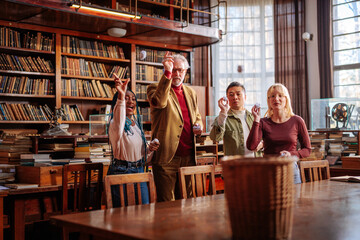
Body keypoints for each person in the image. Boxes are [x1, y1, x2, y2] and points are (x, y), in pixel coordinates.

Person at [147, 52, 203, 202]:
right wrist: (167, 72)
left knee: (188, 201)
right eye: (175, 69)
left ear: (186, 72)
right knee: (167, 204)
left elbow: (196, 115)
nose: (177, 74)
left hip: (189, 157)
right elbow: (160, 102)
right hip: (166, 157)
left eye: (181, 70)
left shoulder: (191, 92)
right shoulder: (155, 88)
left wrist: (199, 126)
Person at [108, 75, 160, 207]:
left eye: (133, 99)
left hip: (139, 171)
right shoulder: (115, 123)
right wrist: (121, 95)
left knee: (144, 211)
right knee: (123, 216)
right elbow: (119, 116)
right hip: (122, 171)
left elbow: (142, 155)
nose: (130, 102)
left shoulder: (136, 124)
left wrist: (150, 149)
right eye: (126, 99)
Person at [246, 83, 311, 184]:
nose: (276, 99)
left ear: (286, 99)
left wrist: (292, 154)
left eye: (280, 95)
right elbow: (251, 146)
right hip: (269, 170)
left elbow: (307, 150)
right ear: (268, 100)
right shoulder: (263, 122)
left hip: (290, 169)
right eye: (272, 96)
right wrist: (256, 120)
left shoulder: (297, 121)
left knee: (294, 199)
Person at [210, 82, 262, 157]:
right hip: (235, 165)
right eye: (231, 95)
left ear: (245, 97)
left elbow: (266, 139)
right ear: (227, 98)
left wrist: (262, 144)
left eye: (238, 94)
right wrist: (223, 113)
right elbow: (215, 138)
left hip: (256, 164)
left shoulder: (254, 117)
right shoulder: (223, 118)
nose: (235, 97)